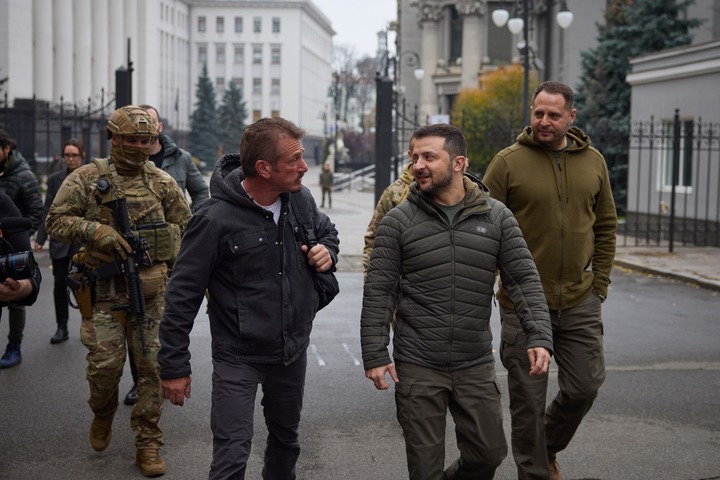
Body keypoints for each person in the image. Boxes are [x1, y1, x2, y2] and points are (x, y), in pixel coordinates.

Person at [361, 123, 553, 480]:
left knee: (489, 453)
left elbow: (524, 278)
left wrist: (539, 335)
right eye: (414, 156)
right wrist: (375, 353)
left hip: (473, 362)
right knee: (425, 468)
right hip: (418, 363)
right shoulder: (397, 221)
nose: (418, 164)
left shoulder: (496, 217)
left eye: (429, 156)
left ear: (459, 162)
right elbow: (379, 290)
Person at [158, 117, 339, 479]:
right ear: (264, 168)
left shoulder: (300, 200)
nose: (304, 167)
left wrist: (327, 252)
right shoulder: (213, 219)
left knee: (287, 442)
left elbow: (327, 231)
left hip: (291, 352)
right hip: (237, 357)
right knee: (231, 455)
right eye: (295, 160)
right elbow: (181, 296)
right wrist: (174, 366)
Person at [45, 105, 192, 477]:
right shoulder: (87, 179)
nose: (141, 146)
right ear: (115, 138)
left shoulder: (160, 182)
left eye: (147, 140)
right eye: (133, 140)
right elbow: (54, 222)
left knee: (152, 370)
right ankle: (103, 412)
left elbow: (189, 228)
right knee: (104, 371)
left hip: (152, 294)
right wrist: (97, 232)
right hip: (106, 294)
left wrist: (170, 251)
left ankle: (148, 442)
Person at [483, 81, 617, 480]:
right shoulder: (507, 163)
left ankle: (548, 447)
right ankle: (536, 471)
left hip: (579, 300)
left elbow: (606, 225)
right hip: (523, 304)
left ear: (570, 117)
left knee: (584, 387)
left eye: (553, 115)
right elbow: (482, 228)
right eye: (538, 113)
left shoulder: (593, 161)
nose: (544, 121)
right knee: (527, 402)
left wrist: (600, 285)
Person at [117, 104, 210, 407]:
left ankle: (157, 377)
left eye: (151, 123)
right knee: (136, 315)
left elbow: (200, 192)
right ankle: (139, 379)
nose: (145, 132)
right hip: (129, 256)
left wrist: (191, 226)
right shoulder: (117, 166)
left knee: (161, 316)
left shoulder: (178, 159)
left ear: (159, 127)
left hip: (170, 250)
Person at [0, 129, 43, 369]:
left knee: (16, 296)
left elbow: (36, 211)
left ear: (6, 149)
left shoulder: (24, 175)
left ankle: (14, 345)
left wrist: (19, 238)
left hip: (13, 243)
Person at [34, 139, 85, 344]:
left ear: (82, 155)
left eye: (74, 155)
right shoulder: (56, 179)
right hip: (61, 242)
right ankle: (61, 326)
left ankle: (89, 325)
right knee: (59, 285)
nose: (71, 159)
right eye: (67, 155)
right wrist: (40, 236)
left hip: (83, 242)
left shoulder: (90, 176)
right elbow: (48, 211)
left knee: (84, 286)